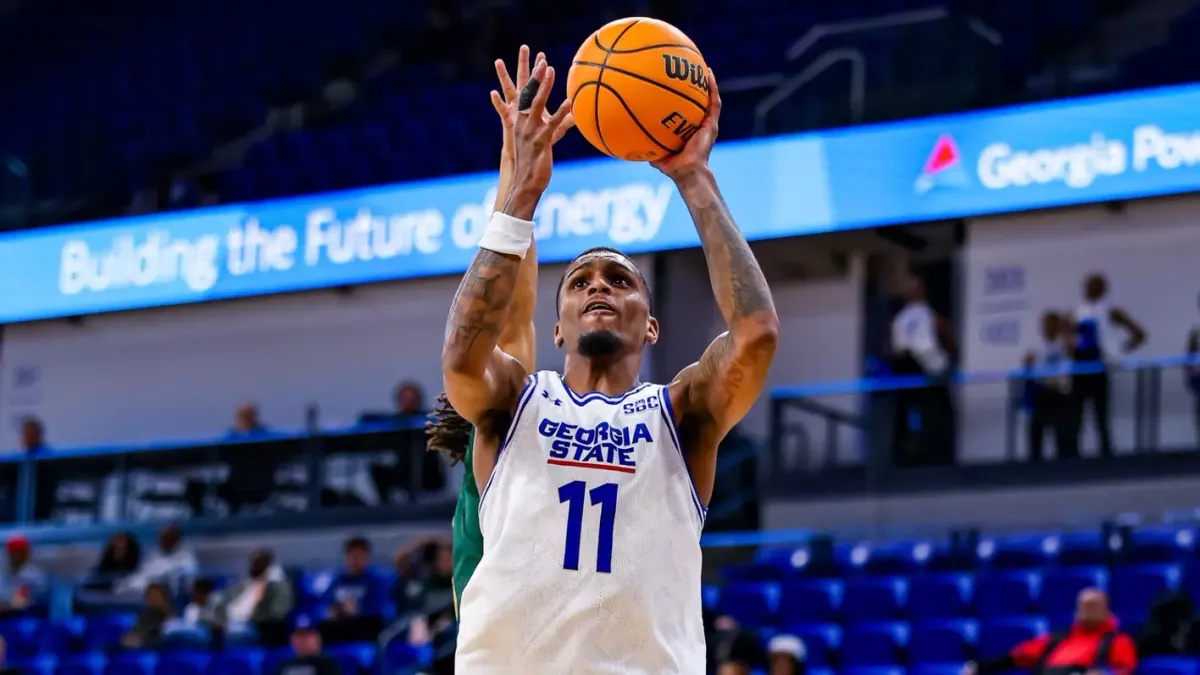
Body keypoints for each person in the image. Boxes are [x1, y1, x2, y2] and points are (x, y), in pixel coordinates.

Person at [444, 50, 778, 673]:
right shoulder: (515, 399)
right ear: (558, 330)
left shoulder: (681, 413)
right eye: (579, 281)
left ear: (651, 326)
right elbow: (463, 351)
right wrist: (519, 194)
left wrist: (693, 178)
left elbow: (756, 332)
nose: (599, 285)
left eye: (620, 279)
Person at [423, 44, 561, 621]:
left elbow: (514, 304)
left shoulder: (497, 458)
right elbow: (515, 305)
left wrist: (517, 156)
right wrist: (519, 163)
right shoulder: (502, 442)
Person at [963, 588, 1137, 675]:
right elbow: (1017, 656)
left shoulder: (1118, 640)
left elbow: (1123, 669)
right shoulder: (1056, 638)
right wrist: (978, 667)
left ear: (1106, 610)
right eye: (1083, 607)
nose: (1086, 612)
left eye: (1093, 607)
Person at [1070, 273, 1146, 457]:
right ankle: (1072, 455)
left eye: (1094, 286)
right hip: (1080, 366)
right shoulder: (1078, 312)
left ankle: (1106, 453)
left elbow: (1140, 334)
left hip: (1099, 365)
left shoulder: (1111, 311)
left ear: (1103, 290)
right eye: (1087, 286)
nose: (1089, 290)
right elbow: (1072, 339)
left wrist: (1119, 350)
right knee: (1075, 414)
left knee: (1100, 414)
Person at [1024, 311, 1076, 461]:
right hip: (1043, 393)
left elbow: (1071, 353)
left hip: (1061, 393)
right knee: (1036, 431)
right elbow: (1031, 370)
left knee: (1063, 435)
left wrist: (1067, 328)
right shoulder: (1037, 348)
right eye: (1045, 324)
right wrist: (1028, 364)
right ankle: (1034, 465)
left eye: (1051, 324)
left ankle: (1065, 465)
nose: (1047, 328)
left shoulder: (1065, 345)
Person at [272, 617, 342, 675]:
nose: (303, 640)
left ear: (317, 638)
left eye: (307, 635)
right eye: (299, 635)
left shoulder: (328, 664)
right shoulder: (284, 665)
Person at [122, 583, 174, 649]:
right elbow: (133, 635)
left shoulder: (172, 621)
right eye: (150, 596)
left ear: (164, 598)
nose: (153, 600)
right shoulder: (144, 616)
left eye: (156, 596)